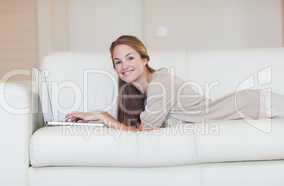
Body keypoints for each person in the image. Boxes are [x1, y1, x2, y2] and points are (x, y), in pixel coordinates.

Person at [65, 35, 284, 131]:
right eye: (117, 62)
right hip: (250, 106)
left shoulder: (161, 83)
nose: (123, 66)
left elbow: (144, 132)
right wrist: (99, 119)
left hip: (253, 104)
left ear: (145, 59)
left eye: (130, 57)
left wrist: (102, 117)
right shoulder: (144, 93)